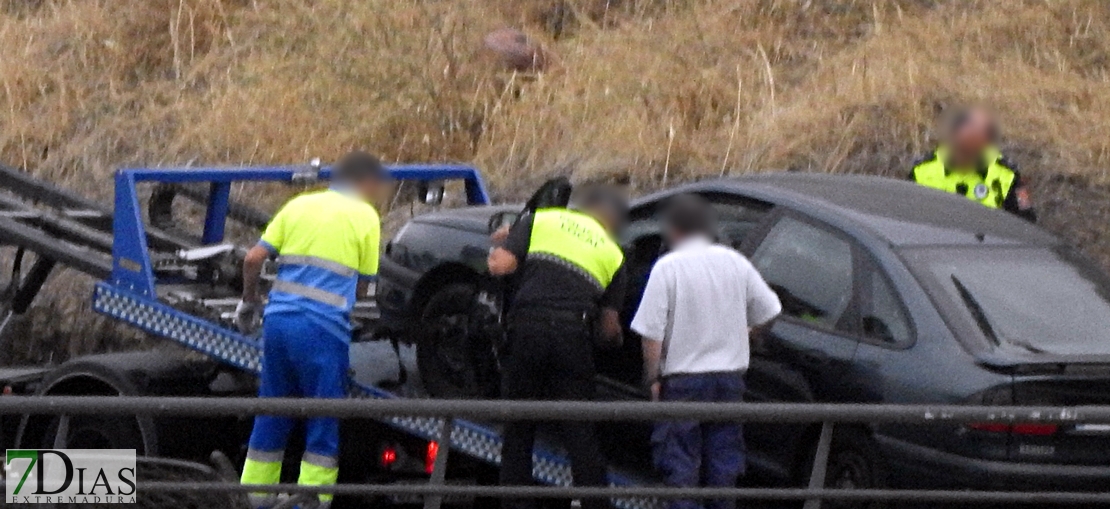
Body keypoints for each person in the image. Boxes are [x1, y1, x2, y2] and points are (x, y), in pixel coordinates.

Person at [236, 151, 388, 509]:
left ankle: (252, 500)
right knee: (322, 423)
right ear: (364, 182)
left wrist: (249, 300)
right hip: (323, 332)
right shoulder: (366, 216)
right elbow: (365, 285)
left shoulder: (298, 205)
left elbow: (253, 258)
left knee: (272, 413)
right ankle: (310, 504)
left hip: (278, 325)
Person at [630, 194, 781, 509]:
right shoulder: (735, 262)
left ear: (674, 231)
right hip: (729, 383)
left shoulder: (667, 268)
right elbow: (770, 309)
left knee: (681, 469)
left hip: (683, 384)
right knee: (723, 469)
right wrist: (750, 335)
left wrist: (652, 379)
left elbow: (651, 336)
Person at [487, 186, 629, 509]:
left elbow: (502, 266)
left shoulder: (542, 219)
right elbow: (609, 330)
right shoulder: (615, 255)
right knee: (580, 432)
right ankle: (595, 504)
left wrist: (498, 252)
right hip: (572, 337)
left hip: (528, 330)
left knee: (520, 427)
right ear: (609, 223)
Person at [910, 106, 1037, 222]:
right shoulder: (922, 171)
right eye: (961, 152)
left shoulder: (1006, 175)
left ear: (987, 145)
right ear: (953, 136)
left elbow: (1026, 225)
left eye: (971, 153)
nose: (964, 159)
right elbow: (909, 219)